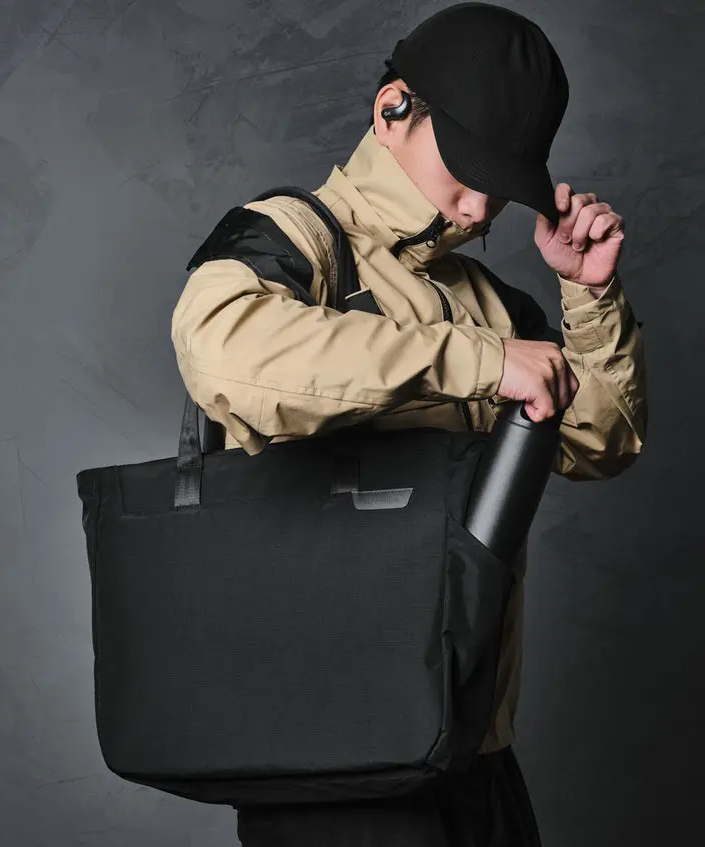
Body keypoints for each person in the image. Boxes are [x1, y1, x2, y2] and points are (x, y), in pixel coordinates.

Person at [170, 3, 648, 844]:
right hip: (332, 777)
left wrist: (590, 297)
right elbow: (221, 352)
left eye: (501, 180)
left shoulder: (492, 302)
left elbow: (599, 441)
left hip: (476, 760)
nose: (478, 203)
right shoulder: (295, 237)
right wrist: (483, 362)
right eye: (466, 165)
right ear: (392, 109)